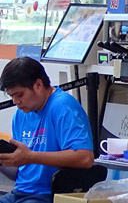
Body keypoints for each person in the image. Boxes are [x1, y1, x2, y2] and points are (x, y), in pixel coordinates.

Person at [0, 57, 94, 203]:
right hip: (19, 193)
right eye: (12, 96)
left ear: (38, 85)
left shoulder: (62, 107)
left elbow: (85, 158)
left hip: (47, 195)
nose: (15, 102)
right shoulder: (20, 114)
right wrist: (5, 160)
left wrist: (30, 156)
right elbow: (18, 172)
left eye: (20, 95)